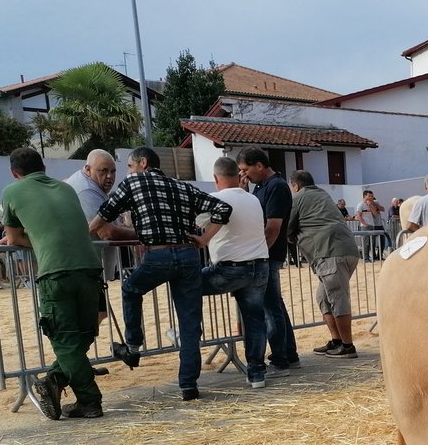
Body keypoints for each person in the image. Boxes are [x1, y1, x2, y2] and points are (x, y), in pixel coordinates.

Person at [91, 146, 231, 401]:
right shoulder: (182, 186)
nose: (129, 172)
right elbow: (222, 209)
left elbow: (104, 216)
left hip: (158, 255)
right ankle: (188, 385)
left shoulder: (134, 183)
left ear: (142, 163)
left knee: (131, 288)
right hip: (189, 255)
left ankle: (133, 346)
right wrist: (204, 239)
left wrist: (81, 236)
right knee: (190, 323)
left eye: (130, 166)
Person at [0, 147, 104, 419]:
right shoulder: (67, 189)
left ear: (14, 172)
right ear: (43, 167)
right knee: (83, 334)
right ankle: (53, 380)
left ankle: (90, 401)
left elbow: (13, 238)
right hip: (91, 268)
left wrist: (42, 243)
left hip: (56, 272)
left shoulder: (12, 191)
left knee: (65, 339)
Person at [186, 157, 270, 389]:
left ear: (215, 178)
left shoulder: (215, 199)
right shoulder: (253, 199)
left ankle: (187, 334)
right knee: (255, 319)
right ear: (238, 174)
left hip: (229, 268)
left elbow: (199, 223)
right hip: (259, 265)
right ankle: (256, 373)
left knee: (186, 286)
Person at [237, 148, 299, 376]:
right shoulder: (263, 187)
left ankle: (281, 360)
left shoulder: (277, 186)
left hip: (268, 256)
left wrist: (259, 254)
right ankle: (288, 355)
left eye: (245, 170)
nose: (243, 175)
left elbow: (272, 228)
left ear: (259, 166)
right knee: (275, 306)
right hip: (266, 254)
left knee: (271, 308)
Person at [287, 170, 361, 359]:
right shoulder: (323, 194)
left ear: (295, 185)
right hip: (347, 250)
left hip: (329, 253)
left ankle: (347, 345)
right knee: (323, 297)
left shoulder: (298, 198)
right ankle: (337, 340)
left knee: (338, 299)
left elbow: (287, 227)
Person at [66, 150, 130, 283]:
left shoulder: (90, 185)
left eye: (113, 171)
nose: (109, 176)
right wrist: (145, 234)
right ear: (88, 170)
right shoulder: (86, 190)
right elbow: (107, 232)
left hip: (88, 269)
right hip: (85, 269)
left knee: (101, 302)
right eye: (103, 171)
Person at [354, 189, 387, 261]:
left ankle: (371, 257)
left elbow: (375, 214)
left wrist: (372, 206)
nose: (371, 197)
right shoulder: (360, 204)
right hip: (365, 226)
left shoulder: (371, 204)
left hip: (372, 225)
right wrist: (364, 224)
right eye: (369, 196)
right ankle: (365, 258)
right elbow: (358, 215)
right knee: (366, 243)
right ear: (365, 196)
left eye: (372, 196)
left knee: (371, 243)